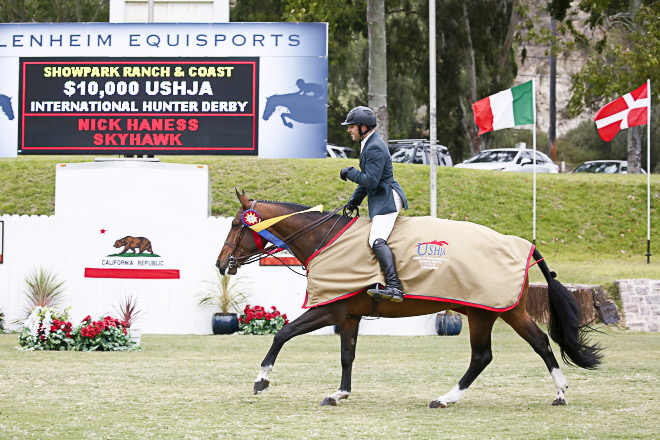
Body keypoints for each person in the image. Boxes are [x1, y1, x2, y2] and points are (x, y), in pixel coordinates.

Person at [339, 106, 408, 302]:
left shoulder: (375, 146)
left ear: (362, 127)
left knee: (376, 240)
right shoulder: (368, 143)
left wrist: (349, 172)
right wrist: (354, 200)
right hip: (380, 197)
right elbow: (367, 181)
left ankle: (394, 287)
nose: (348, 130)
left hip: (388, 198)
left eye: (351, 127)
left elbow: (371, 181)